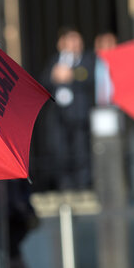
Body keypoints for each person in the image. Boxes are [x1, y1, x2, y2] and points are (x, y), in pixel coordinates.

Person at [40, 27, 97, 190]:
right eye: (71, 40)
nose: (75, 44)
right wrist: (53, 76)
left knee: (81, 151)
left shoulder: (86, 59)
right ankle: (65, 186)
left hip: (79, 117)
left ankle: (83, 185)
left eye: (77, 40)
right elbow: (43, 82)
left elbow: (89, 75)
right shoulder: (55, 61)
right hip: (59, 116)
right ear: (61, 43)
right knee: (60, 152)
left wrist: (71, 74)